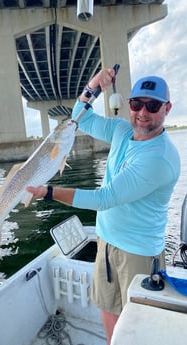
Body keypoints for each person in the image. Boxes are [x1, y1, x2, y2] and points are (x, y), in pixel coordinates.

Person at [27, 67, 181, 344]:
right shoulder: (122, 130)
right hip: (106, 242)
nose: (142, 112)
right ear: (129, 106)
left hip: (139, 253)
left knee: (138, 328)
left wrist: (47, 191)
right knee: (108, 310)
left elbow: (104, 198)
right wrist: (94, 85)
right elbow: (78, 120)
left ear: (167, 108)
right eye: (136, 104)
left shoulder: (159, 158)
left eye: (153, 106)